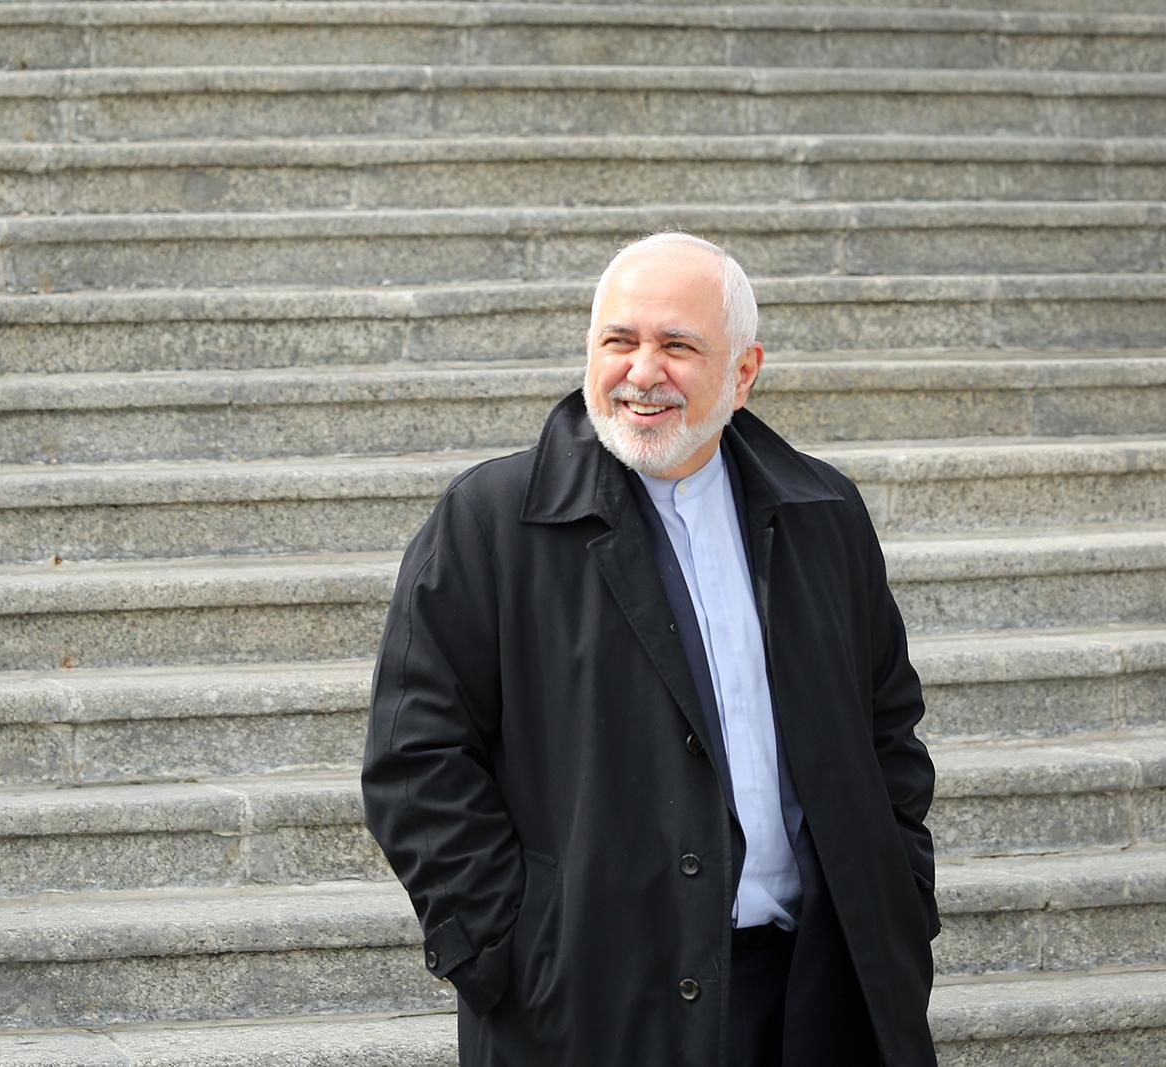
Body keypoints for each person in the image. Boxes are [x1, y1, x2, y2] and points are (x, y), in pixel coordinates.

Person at [361, 232, 939, 1066]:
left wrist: (899, 898)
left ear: (743, 372)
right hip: (589, 1008)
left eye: (677, 345)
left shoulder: (825, 513)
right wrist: (510, 953)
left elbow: (888, 727)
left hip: (816, 996)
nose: (642, 371)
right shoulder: (489, 523)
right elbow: (415, 760)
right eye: (619, 341)